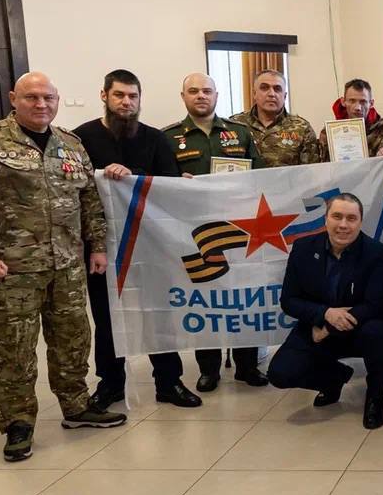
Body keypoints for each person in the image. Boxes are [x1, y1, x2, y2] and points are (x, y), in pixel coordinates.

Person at [0, 71, 127, 462]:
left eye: (48, 97)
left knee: (73, 340)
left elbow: (89, 201)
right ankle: (18, 422)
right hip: (12, 270)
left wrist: (97, 247)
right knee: (16, 349)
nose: (41, 104)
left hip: (67, 266)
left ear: (57, 100)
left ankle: (76, 406)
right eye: (31, 97)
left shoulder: (71, 144)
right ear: (14, 98)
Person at [74, 69, 201, 410]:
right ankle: (111, 383)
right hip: (101, 246)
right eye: (119, 95)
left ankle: (169, 381)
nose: (126, 102)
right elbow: (75, 189)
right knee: (106, 316)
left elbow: (168, 185)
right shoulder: (81, 138)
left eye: (133, 96)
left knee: (158, 313)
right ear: (104, 96)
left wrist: (136, 177)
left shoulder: (155, 139)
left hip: (150, 243)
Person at [163, 72, 268, 392]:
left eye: (207, 91)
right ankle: (208, 368)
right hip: (194, 229)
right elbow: (159, 183)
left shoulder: (240, 133)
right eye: (193, 91)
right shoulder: (169, 138)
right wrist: (176, 183)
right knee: (205, 298)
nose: (201, 96)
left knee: (243, 296)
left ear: (216, 96)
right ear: (183, 96)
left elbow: (262, 176)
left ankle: (247, 365)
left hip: (239, 228)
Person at [266, 192, 383, 429]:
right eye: (337, 216)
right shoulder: (303, 249)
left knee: (377, 333)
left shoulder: (375, 252)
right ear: (326, 219)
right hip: (316, 324)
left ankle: (375, 398)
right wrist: (325, 315)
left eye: (351, 218)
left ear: (360, 222)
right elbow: (289, 300)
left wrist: (329, 328)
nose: (343, 224)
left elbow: (376, 303)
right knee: (280, 373)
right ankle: (334, 379)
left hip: (359, 326)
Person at [229, 69, 321, 166]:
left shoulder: (302, 128)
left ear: (284, 96)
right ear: (254, 93)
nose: (271, 94)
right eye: (264, 88)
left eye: (277, 89)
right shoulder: (235, 124)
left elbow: (311, 171)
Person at [320, 78, 383, 161]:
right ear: (343, 102)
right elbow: (323, 164)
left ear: (371, 103)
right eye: (352, 101)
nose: (358, 108)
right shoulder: (329, 132)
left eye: (363, 102)